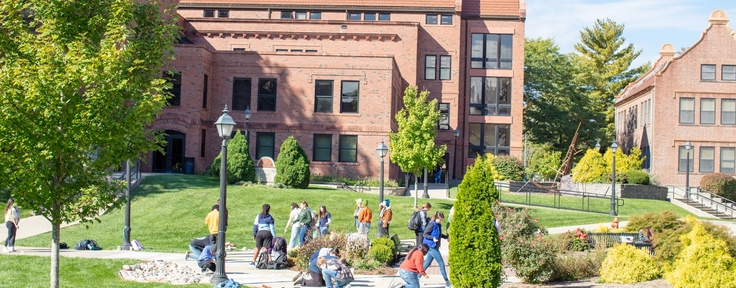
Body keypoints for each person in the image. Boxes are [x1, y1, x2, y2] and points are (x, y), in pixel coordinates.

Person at [422, 211, 450, 287]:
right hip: (431, 246)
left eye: (442, 220)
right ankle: (447, 281)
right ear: (436, 218)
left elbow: (440, 235)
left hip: (435, 246)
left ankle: (417, 277)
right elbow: (425, 234)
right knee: (441, 263)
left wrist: (447, 237)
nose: (441, 221)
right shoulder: (431, 225)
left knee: (427, 263)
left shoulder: (438, 225)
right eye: (440, 220)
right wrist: (433, 238)